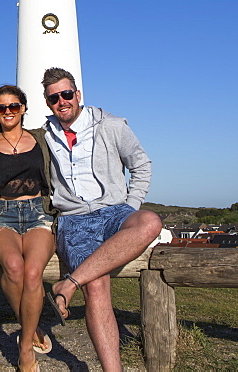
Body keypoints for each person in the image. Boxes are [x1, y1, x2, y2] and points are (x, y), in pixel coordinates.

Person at [40, 67, 163, 372]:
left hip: (114, 211)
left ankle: (67, 285)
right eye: (54, 97)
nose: (62, 101)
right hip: (74, 219)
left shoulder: (111, 125)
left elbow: (141, 166)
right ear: (47, 102)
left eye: (67, 94)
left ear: (78, 95)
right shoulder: (44, 136)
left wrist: (130, 205)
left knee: (150, 222)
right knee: (96, 285)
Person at [0, 84, 58, 372]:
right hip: (2, 214)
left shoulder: (42, 139)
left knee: (33, 273)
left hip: (39, 213)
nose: (8, 112)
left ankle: (25, 349)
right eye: (2, 108)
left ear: (23, 107)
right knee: (13, 267)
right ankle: (31, 327)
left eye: (14, 106)